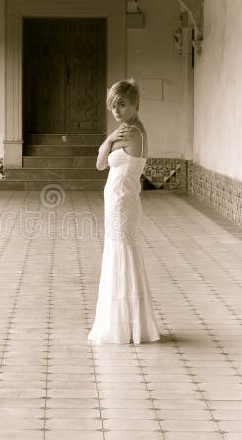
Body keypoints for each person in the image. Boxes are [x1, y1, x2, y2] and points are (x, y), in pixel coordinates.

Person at [87, 78, 161, 344]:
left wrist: (107, 141)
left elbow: (99, 164)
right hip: (121, 200)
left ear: (135, 104)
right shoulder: (128, 129)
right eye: (112, 106)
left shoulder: (130, 133)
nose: (116, 111)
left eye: (121, 105)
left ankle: (124, 326)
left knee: (121, 254)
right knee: (120, 253)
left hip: (121, 202)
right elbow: (102, 162)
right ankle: (129, 322)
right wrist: (109, 139)